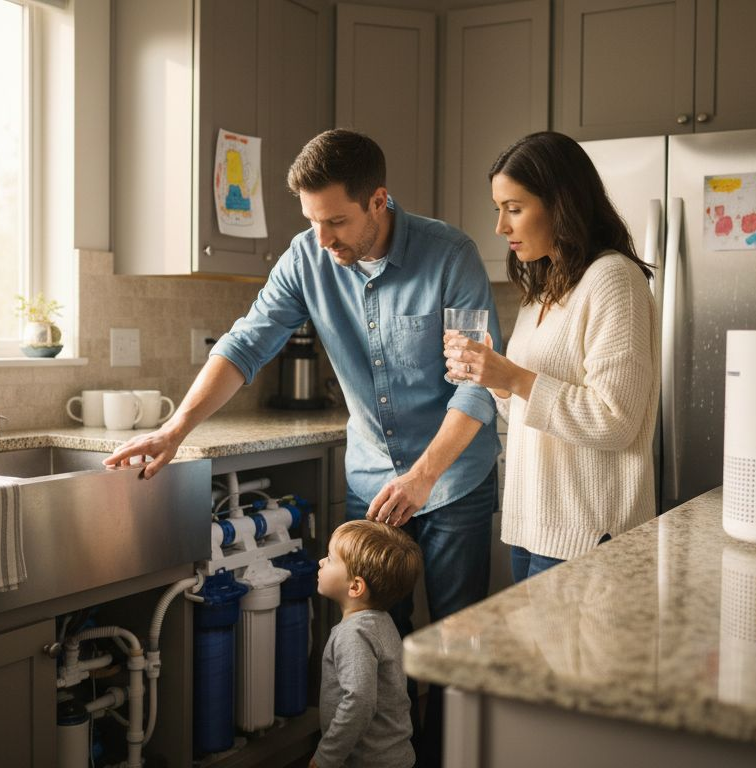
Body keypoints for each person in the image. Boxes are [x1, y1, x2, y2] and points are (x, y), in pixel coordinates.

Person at [105, 129, 501, 764]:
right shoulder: (307, 256)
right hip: (371, 478)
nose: (325, 240)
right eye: (314, 222)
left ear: (380, 200)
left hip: (451, 480)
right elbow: (244, 344)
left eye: (337, 221)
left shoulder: (449, 255)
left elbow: (478, 389)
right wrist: (176, 429)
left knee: (453, 646)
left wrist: (425, 476)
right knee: (369, 641)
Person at [443, 131, 659, 582]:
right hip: (531, 526)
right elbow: (528, 410)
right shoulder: (543, 289)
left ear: (562, 204)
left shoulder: (613, 280)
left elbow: (615, 421)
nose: (501, 227)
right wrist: (496, 380)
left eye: (514, 209)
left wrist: (515, 377)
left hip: (589, 532)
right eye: (498, 209)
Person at [310, 520, 421, 768]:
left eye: (329, 558)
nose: (321, 562)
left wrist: (326, 756)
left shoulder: (354, 635)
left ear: (356, 586)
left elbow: (359, 702)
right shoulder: (381, 621)